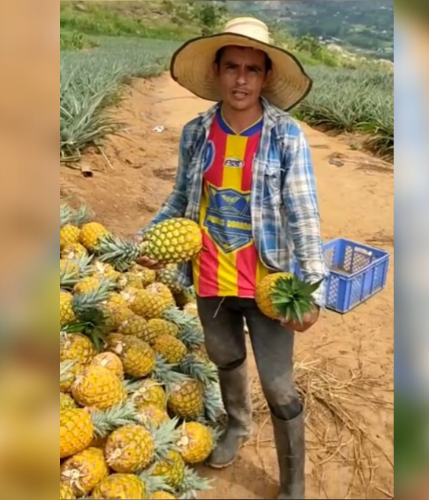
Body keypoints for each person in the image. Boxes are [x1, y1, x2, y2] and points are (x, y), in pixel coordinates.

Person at [137, 17, 327, 499]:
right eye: (232, 67)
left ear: (265, 77)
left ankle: (292, 483)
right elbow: (180, 198)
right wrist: (151, 239)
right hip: (211, 277)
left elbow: (303, 214)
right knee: (224, 355)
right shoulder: (197, 131)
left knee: (281, 387)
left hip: (268, 284)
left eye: (252, 69)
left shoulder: (285, 136)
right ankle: (237, 425)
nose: (241, 79)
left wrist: (313, 291)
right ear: (218, 72)